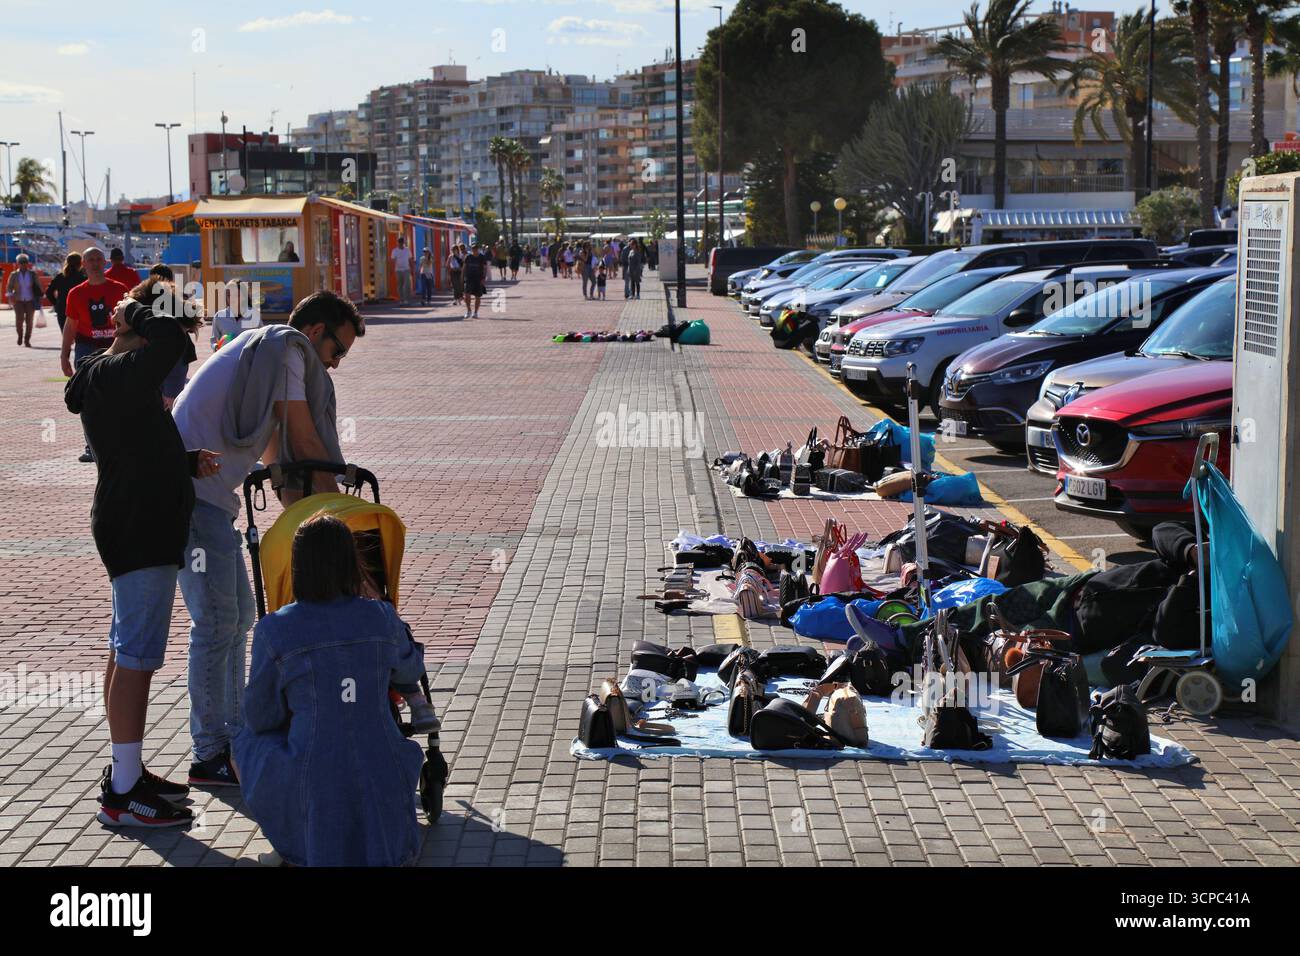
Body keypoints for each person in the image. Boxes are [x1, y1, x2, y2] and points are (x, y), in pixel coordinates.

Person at [171, 290, 364, 788]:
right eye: (337, 351)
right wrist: (340, 526)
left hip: (207, 500)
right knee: (218, 623)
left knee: (234, 619)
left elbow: (285, 464)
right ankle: (212, 751)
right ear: (316, 332)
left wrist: (312, 525)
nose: (336, 365)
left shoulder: (270, 355)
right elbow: (304, 442)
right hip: (191, 498)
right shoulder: (288, 349)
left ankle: (229, 740)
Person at [65, 281, 217, 827]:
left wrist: (185, 461)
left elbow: (137, 446)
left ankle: (125, 770)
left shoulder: (109, 376)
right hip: (139, 528)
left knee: (124, 649)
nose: (180, 362)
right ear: (144, 326)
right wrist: (139, 307)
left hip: (133, 520)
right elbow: (170, 340)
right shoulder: (123, 373)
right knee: (136, 657)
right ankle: (124, 791)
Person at [234, 512, 426, 866]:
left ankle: (295, 841)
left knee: (245, 742)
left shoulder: (275, 629)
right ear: (351, 565)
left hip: (314, 775)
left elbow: (261, 716)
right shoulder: (380, 616)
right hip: (382, 770)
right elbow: (412, 668)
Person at [62, 247, 130, 462]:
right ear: (83, 263)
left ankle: (121, 442)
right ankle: (92, 446)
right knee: (87, 398)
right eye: (90, 259)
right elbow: (70, 324)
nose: (94, 263)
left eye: (98, 259)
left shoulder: (120, 289)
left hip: (116, 347)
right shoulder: (76, 293)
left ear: (105, 262)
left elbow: (132, 320)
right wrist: (64, 355)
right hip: (86, 349)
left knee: (119, 396)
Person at [6, 254, 45, 347]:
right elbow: (9, 287)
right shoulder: (14, 274)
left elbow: (38, 286)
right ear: (17, 264)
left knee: (29, 321)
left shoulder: (32, 274)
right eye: (21, 262)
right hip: (18, 300)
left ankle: (27, 339)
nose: (23, 264)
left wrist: (40, 297)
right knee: (19, 320)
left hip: (30, 300)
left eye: (25, 262)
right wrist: (10, 296)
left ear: (28, 263)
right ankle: (20, 335)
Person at [44, 252, 85, 334]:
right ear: (80, 263)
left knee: (66, 336)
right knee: (80, 336)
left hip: (62, 309)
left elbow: (49, 292)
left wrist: (56, 303)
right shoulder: (83, 277)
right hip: (79, 309)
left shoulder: (60, 276)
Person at [462, 242, 489, 318]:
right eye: (473, 248)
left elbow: (485, 268)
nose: (474, 250)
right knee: (467, 295)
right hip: (469, 279)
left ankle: (476, 312)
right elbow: (464, 268)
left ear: (478, 249)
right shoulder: (468, 257)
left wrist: (484, 278)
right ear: (471, 249)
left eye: (476, 248)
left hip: (478, 279)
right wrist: (462, 278)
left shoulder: (482, 257)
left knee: (478, 296)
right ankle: (468, 310)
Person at [391, 237, 413, 303]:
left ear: (403, 243)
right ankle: (401, 299)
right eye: (399, 243)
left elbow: (410, 260)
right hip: (398, 270)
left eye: (401, 243)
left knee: (407, 284)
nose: (400, 244)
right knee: (400, 285)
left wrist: (412, 269)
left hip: (406, 269)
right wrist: (392, 270)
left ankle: (406, 299)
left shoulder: (407, 250)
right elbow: (393, 260)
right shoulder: (395, 251)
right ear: (398, 243)